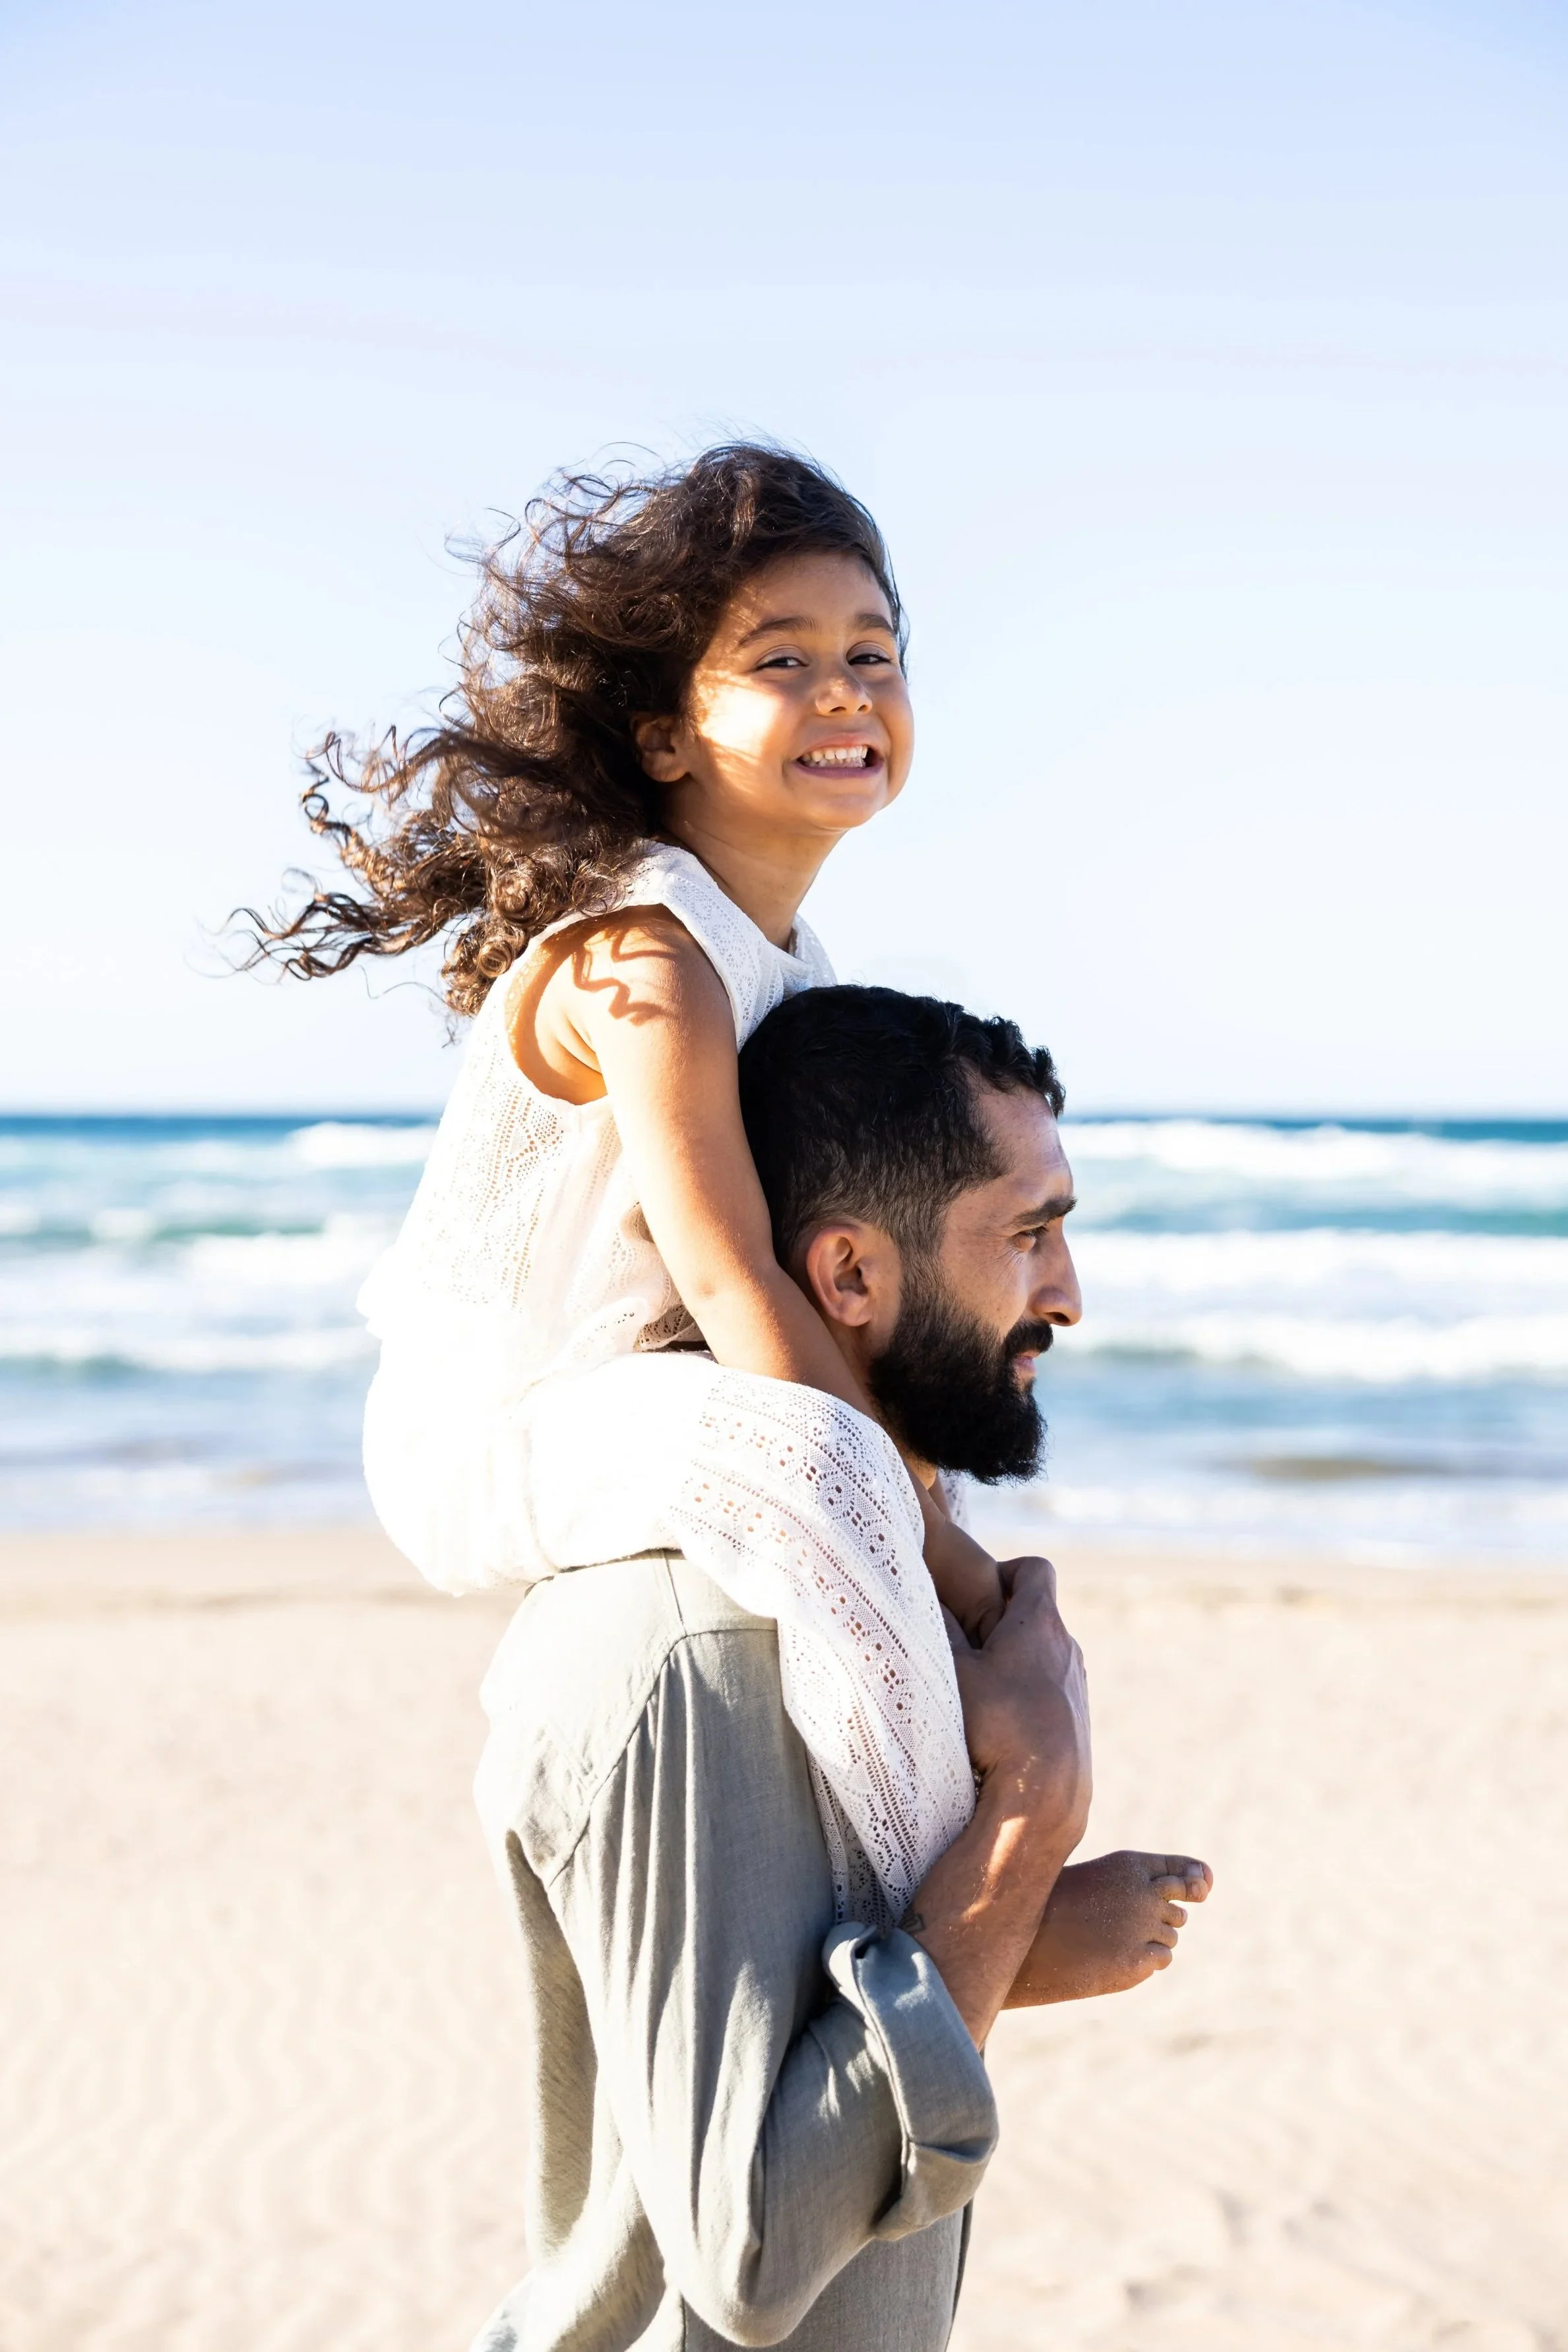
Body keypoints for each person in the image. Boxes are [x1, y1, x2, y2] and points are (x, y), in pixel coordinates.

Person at [243, 443, 1020, 1923]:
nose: (848, 690)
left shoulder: (796, 969)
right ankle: (969, 1906)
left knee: (913, 1412)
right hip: (505, 1429)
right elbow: (735, 1282)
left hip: (650, 1395)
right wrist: (942, 1557)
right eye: (782, 660)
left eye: (874, 652)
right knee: (840, 1474)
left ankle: (936, 1811)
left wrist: (929, 1470)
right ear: (664, 736)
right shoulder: (647, 959)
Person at [468, 982, 1210, 2351]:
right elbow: (751, 2251)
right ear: (852, 1276)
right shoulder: (694, 1650)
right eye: (1030, 1235)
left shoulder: (851, 1618)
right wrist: (1024, 1830)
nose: (1071, 1296)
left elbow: (791, 2010)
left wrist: (1007, 1947)